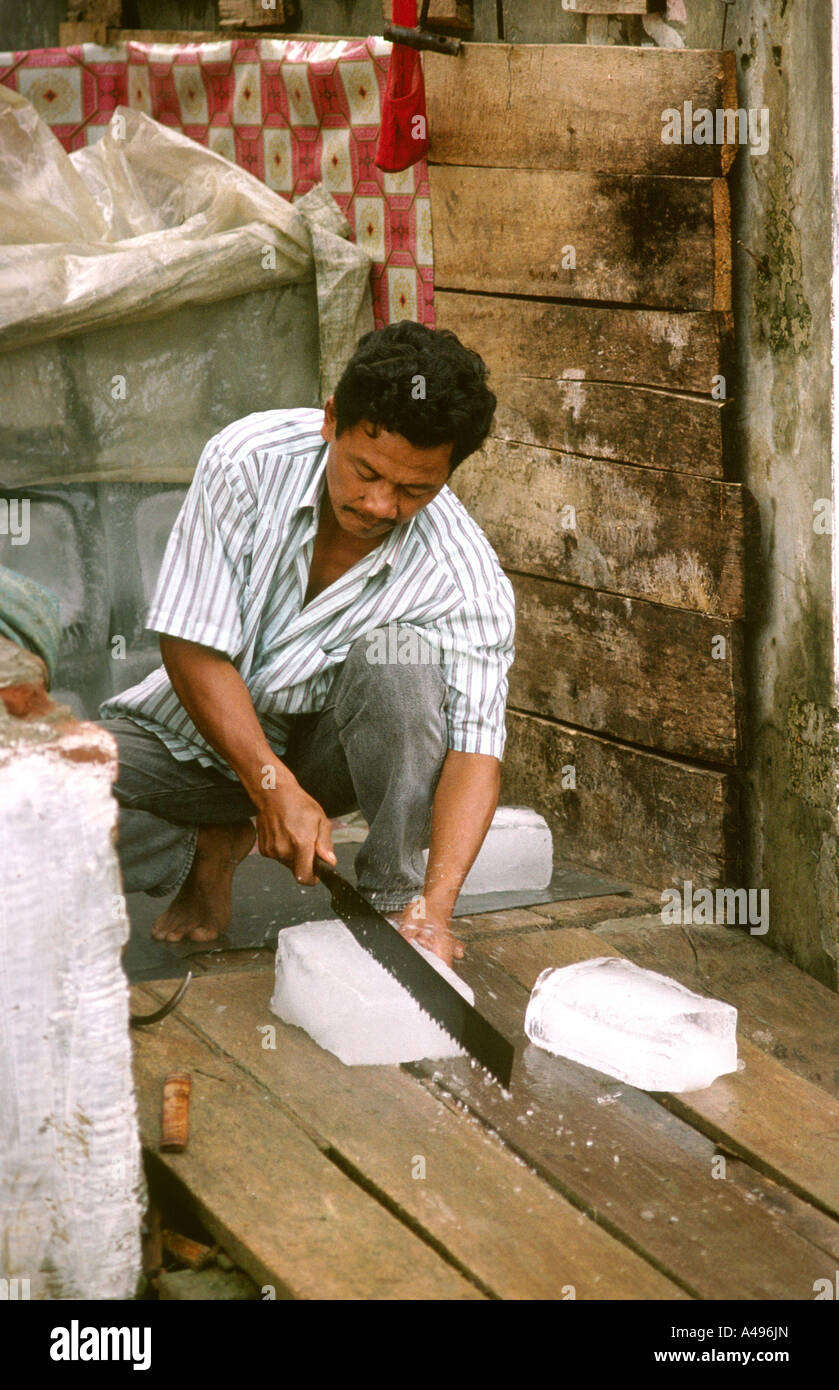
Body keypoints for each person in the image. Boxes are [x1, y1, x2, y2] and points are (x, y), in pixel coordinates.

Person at [99, 320, 515, 967]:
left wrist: (436, 909)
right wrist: (268, 787)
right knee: (37, 813)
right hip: (188, 737)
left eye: (414, 490)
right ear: (331, 422)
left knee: (396, 661)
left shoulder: (462, 575)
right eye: (365, 471)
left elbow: (474, 752)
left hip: (325, 767)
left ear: (446, 475)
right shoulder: (248, 459)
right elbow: (189, 645)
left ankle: (391, 903)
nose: (380, 505)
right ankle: (211, 842)